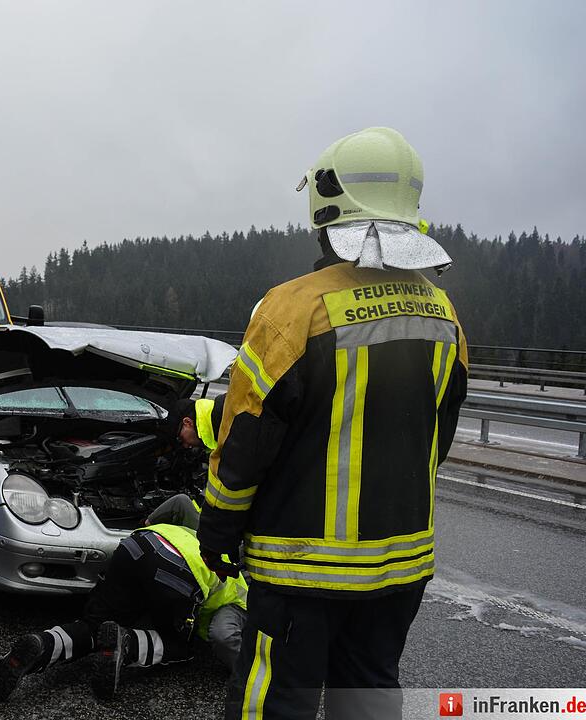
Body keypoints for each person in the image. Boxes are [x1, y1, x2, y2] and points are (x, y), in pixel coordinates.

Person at [197, 127, 468, 720]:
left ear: (324, 210)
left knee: (277, 702)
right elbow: (437, 436)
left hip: (300, 569)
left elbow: (246, 441)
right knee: (367, 695)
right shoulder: (441, 312)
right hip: (401, 565)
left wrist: (216, 532)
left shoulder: (294, 309)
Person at [0, 494, 248, 703]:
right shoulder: (239, 590)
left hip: (136, 545)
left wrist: (147, 523)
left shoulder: (206, 533)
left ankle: (43, 644)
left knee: (94, 626)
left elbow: (180, 500)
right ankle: (127, 643)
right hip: (177, 573)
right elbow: (222, 635)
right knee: (180, 646)